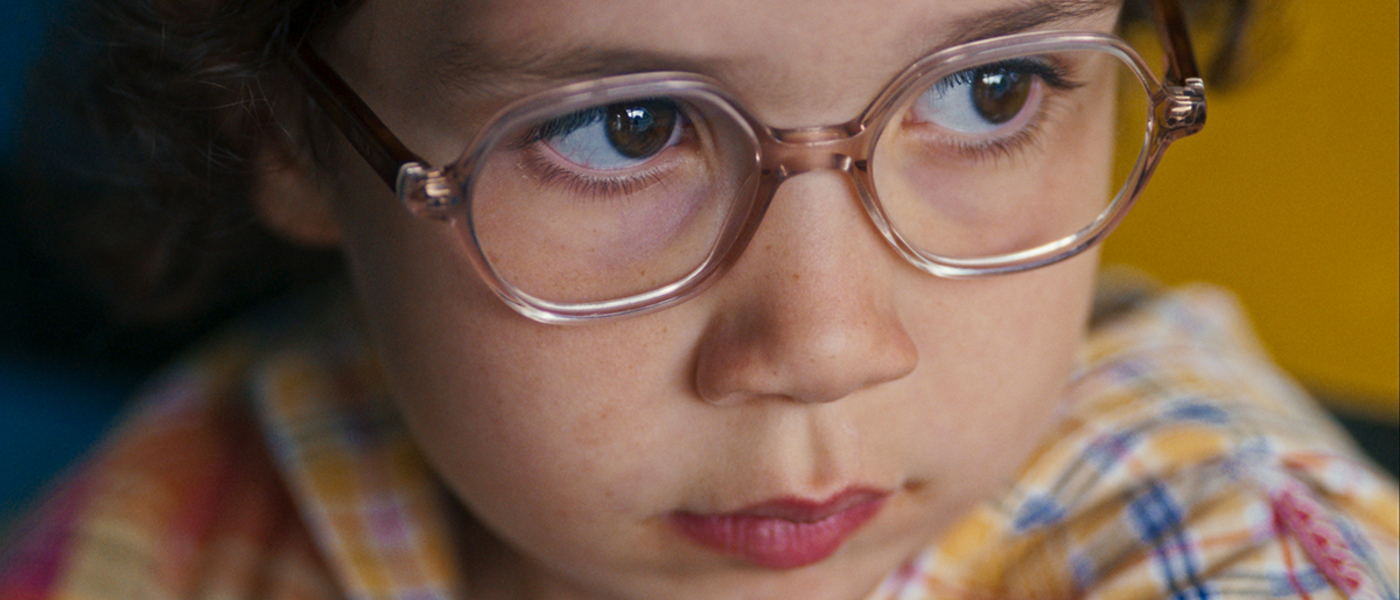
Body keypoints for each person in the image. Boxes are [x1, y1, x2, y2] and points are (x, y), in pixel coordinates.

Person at [1, 0, 1395, 598]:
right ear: (291, 133)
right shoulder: (202, 506)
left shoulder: (1231, 560)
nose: (828, 344)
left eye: (992, 91)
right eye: (626, 127)